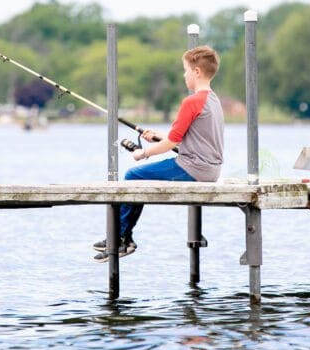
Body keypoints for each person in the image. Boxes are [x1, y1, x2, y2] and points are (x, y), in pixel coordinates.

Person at [93, 45, 225, 262]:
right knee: (138, 177)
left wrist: (142, 153)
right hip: (209, 168)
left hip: (193, 168)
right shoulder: (214, 100)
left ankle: (121, 238)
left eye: (186, 70)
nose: (184, 75)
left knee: (133, 176)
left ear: (197, 72)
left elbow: (172, 142)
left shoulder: (191, 101)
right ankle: (122, 236)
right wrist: (157, 136)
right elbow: (187, 138)